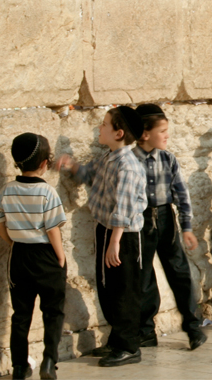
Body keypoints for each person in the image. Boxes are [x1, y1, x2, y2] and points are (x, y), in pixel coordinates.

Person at [56, 106, 147, 367]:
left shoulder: (128, 166)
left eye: (104, 124)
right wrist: (72, 165)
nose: (100, 128)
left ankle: (129, 346)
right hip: (106, 231)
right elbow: (90, 175)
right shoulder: (109, 157)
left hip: (124, 237)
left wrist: (115, 241)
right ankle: (117, 341)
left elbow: (125, 207)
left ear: (118, 133)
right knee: (109, 289)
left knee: (125, 290)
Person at [0, 133, 67, 379]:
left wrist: (11, 240)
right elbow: (52, 228)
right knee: (53, 311)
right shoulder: (48, 192)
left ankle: (20, 367)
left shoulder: (7, 191)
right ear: (45, 163)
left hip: (20, 256)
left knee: (21, 314)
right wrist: (61, 257)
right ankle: (48, 363)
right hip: (46, 255)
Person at [131, 104, 207, 350]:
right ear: (144, 134)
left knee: (180, 273)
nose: (167, 135)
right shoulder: (129, 160)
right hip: (140, 221)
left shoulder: (168, 158)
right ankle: (145, 331)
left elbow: (181, 194)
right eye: (162, 131)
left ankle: (193, 327)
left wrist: (186, 227)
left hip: (166, 219)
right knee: (144, 278)